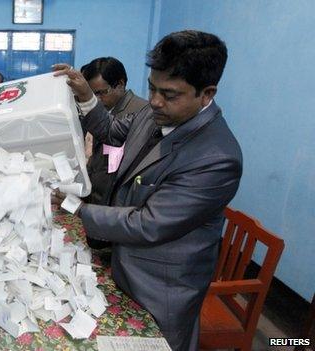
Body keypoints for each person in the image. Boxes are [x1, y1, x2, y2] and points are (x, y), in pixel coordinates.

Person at [53, 30, 243, 351]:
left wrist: (75, 206)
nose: (155, 100)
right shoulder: (153, 111)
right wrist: (87, 95)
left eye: (169, 94)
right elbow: (112, 132)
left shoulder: (216, 158)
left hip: (160, 287)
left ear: (207, 94)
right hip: (122, 263)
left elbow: (148, 224)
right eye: (152, 87)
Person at [82, 57, 148, 206]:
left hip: (115, 202)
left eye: (101, 93)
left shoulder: (140, 113)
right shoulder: (99, 110)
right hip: (95, 196)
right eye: (92, 94)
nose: (97, 100)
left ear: (120, 84)